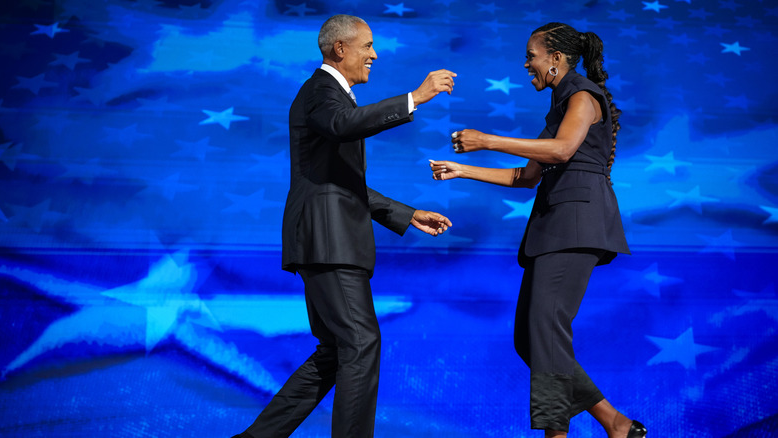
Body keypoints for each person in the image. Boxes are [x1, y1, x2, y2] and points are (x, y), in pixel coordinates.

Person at [231, 14, 456, 438]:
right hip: (328, 242)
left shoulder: (335, 96)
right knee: (361, 343)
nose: (375, 54)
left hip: (328, 241)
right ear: (340, 49)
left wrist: (406, 214)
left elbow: (341, 180)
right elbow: (342, 126)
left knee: (335, 353)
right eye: (367, 45)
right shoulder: (321, 92)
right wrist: (415, 97)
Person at [430, 23, 646, 438]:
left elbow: (563, 150)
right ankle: (614, 422)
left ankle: (556, 432)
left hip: (576, 226)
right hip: (553, 228)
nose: (526, 62)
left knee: (545, 329)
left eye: (532, 54)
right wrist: (462, 169)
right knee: (529, 339)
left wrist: (487, 140)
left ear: (556, 59)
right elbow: (528, 177)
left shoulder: (582, 97)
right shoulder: (559, 107)